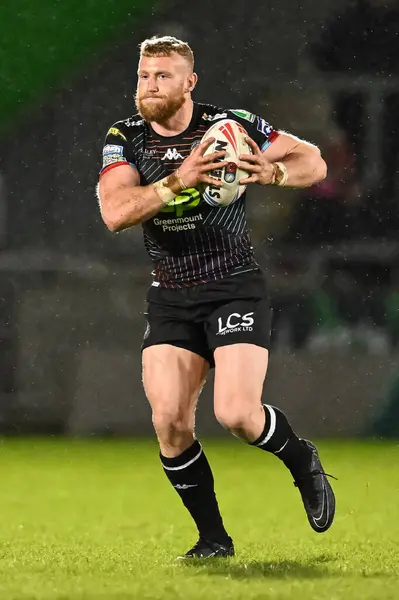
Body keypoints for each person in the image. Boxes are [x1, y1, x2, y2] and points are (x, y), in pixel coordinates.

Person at [97, 35, 335, 559]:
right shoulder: (127, 137)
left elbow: (313, 161)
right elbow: (114, 213)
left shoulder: (228, 126)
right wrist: (175, 181)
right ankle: (214, 540)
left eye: (162, 75)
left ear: (189, 82)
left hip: (232, 286)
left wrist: (273, 172)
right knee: (170, 423)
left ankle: (301, 460)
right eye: (143, 75)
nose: (149, 85)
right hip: (171, 294)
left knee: (237, 415)